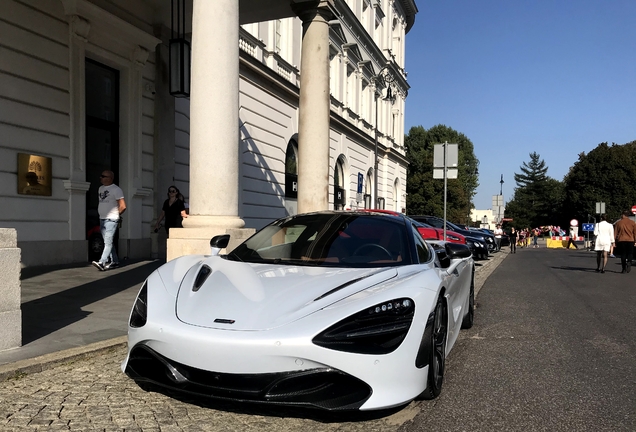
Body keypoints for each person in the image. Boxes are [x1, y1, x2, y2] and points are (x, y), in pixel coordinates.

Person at [92, 170, 126, 271]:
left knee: (108, 242)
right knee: (108, 241)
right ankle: (115, 261)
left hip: (111, 219)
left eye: (103, 176)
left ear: (110, 178)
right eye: (101, 176)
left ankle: (102, 262)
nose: (100, 178)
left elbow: (123, 206)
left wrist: (116, 214)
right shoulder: (100, 188)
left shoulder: (116, 190)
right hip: (102, 218)